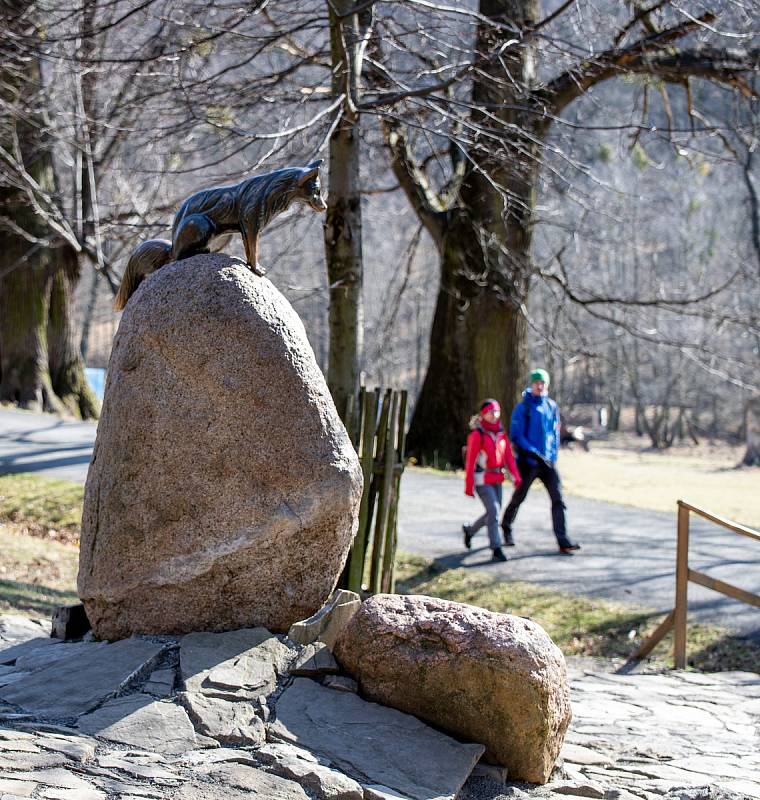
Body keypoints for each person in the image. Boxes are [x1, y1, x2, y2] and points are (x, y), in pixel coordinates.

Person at [500, 369, 581, 554]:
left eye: (543, 382)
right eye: (537, 382)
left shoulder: (551, 406)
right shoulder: (524, 408)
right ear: (531, 384)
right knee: (519, 497)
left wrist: (552, 457)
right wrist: (534, 454)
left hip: (549, 463)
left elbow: (554, 433)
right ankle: (506, 527)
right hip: (529, 462)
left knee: (558, 499)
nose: (540, 385)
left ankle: (563, 539)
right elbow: (516, 435)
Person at [462, 399, 522, 562]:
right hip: (482, 479)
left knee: (492, 513)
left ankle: (470, 530)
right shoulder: (477, 435)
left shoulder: (501, 434)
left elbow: (508, 458)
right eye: (490, 412)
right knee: (494, 512)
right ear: (483, 414)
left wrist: (516, 477)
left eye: (496, 411)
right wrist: (469, 485)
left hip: (498, 478)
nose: (494, 415)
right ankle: (496, 548)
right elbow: (471, 462)